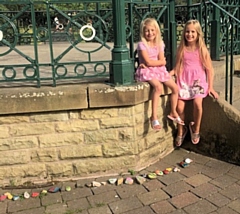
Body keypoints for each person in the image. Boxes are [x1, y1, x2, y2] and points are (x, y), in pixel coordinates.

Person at [172, 19, 219, 146]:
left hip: (198, 82)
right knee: (179, 107)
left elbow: (209, 69)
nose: (190, 34)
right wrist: (166, 75)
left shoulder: (202, 49)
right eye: (187, 31)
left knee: (198, 104)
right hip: (184, 82)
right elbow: (177, 67)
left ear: (198, 33)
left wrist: (211, 87)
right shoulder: (182, 48)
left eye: (193, 32)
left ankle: (195, 128)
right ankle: (181, 130)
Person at [135, 18, 184, 131]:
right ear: (143, 32)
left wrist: (158, 62)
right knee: (158, 87)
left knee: (175, 88)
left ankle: (173, 111)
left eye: (152, 30)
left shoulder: (160, 44)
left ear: (156, 31)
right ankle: (154, 116)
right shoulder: (142, 45)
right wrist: (159, 62)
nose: (150, 33)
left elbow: (163, 60)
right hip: (147, 70)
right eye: (147, 31)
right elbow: (148, 62)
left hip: (159, 70)